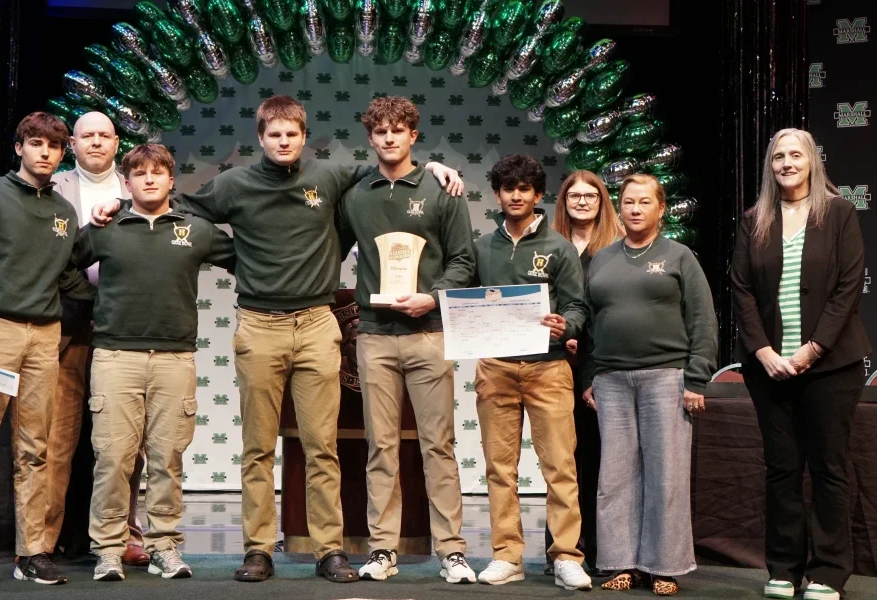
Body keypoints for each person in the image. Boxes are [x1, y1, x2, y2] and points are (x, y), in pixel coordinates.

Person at [91, 95, 463, 584]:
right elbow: (170, 202)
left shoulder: (329, 177)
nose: (283, 142)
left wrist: (435, 164)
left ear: (304, 137)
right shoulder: (233, 184)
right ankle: (258, 549)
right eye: (274, 135)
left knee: (321, 446)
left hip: (315, 324)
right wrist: (116, 202)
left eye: (292, 134)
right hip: (259, 326)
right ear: (261, 138)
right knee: (257, 448)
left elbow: (387, 165)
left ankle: (329, 549)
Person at [69, 143, 235, 581]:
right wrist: (95, 301)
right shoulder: (106, 226)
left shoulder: (196, 229)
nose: (148, 179)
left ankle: (164, 545)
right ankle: (108, 548)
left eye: (157, 172)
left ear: (171, 180)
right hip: (115, 356)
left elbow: (247, 260)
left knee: (167, 457)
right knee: (114, 458)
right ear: (126, 183)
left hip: (175, 357)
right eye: (139, 173)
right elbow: (65, 264)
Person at [0, 112, 92, 592]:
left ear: (62, 152)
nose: (45, 152)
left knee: (36, 451)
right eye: (35, 143)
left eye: (53, 145)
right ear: (19, 148)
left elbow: (69, 278)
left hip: (45, 337)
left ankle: (31, 553)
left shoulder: (65, 214)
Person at [338, 96, 477, 584]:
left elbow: (464, 260)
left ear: (414, 136)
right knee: (381, 447)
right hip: (374, 337)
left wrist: (433, 298)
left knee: (439, 445)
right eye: (380, 132)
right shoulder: (355, 193)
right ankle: (382, 549)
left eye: (399, 130)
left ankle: (452, 551)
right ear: (370, 138)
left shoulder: (444, 189)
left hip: (430, 334)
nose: (390, 138)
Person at [730, 128, 870, 600]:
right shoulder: (754, 220)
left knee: (830, 468)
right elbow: (742, 291)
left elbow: (848, 288)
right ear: (770, 167)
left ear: (812, 161)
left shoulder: (839, 213)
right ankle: (784, 569)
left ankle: (828, 571)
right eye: (778, 157)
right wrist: (764, 352)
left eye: (796, 155)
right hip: (769, 368)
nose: (786, 163)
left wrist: (812, 350)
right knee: (782, 470)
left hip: (830, 365)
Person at [581, 173, 717, 596]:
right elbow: (585, 323)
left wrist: (696, 378)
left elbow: (703, 320)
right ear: (618, 208)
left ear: (661, 209)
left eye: (644, 202)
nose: (635, 209)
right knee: (615, 476)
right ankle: (621, 563)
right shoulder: (602, 259)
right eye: (628, 202)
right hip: (611, 380)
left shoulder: (679, 257)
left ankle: (664, 566)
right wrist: (589, 377)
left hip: (666, 376)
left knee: (666, 474)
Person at [471, 154, 592, 591]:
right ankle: (508, 555)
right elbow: (461, 295)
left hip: (549, 367)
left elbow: (577, 305)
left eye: (525, 189)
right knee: (500, 468)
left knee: (560, 465)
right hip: (496, 368)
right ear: (498, 195)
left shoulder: (558, 247)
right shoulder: (483, 247)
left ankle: (565, 556)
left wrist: (568, 323)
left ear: (538, 195)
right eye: (508, 189)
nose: (516, 195)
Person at [46, 111, 149, 567]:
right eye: (87, 135)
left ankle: (125, 533)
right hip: (67, 323)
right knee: (58, 438)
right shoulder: (54, 187)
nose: (96, 143)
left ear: (116, 142)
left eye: (104, 136)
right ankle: (43, 539)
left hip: (122, 324)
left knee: (127, 442)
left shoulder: (136, 185)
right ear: (72, 143)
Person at [542, 169, 623, 574]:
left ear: (601, 201)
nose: (582, 202)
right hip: (553, 360)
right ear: (564, 201)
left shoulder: (616, 247)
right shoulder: (550, 246)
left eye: (591, 196)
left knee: (594, 459)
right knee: (561, 460)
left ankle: (595, 548)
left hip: (599, 365)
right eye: (574, 195)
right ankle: (560, 548)